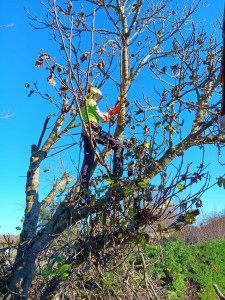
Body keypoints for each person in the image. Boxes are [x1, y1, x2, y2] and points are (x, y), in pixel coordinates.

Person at [79, 87, 124, 204]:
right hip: (93, 129)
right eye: (96, 97)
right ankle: (117, 179)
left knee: (87, 162)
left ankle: (83, 194)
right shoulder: (91, 102)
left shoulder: (83, 105)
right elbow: (103, 117)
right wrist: (111, 115)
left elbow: (103, 114)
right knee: (119, 146)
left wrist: (116, 110)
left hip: (86, 133)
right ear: (91, 96)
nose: (97, 100)